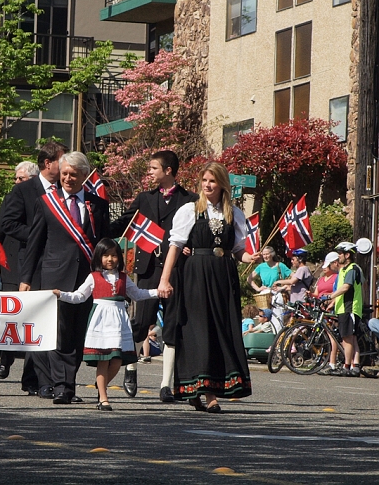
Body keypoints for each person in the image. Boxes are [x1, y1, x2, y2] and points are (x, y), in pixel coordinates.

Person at [158, 161, 258, 414]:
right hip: (196, 275)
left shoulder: (233, 213)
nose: (208, 185)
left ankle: (206, 388)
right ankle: (206, 392)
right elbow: (175, 246)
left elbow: (237, 251)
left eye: (212, 181)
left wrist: (250, 258)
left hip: (223, 275)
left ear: (222, 184)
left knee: (220, 330)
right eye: (204, 180)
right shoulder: (190, 210)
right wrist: (164, 279)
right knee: (198, 330)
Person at [20, 151, 111, 405]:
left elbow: (103, 244)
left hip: (87, 279)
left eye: (73, 174)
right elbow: (35, 244)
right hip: (55, 278)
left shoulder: (98, 205)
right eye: (64, 174)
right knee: (59, 334)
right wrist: (26, 278)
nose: (68, 179)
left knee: (77, 334)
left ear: (84, 175)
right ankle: (61, 386)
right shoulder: (46, 202)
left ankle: (68, 384)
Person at [109, 150, 198, 402]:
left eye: (153, 168)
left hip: (177, 269)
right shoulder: (144, 199)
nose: (149, 172)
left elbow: (196, 230)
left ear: (168, 170)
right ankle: (131, 367)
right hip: (148, 268)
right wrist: (97, 229)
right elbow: (124, 223)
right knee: (142, 321)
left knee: (172, 323)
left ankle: (166, 385)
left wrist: (191, 244)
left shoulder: (190, 199)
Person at [0, 142, 66, 397]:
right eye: (61, 161)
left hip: (59, 265)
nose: (65, 166)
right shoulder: (23, 191)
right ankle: (36, 379)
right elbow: (7, 224)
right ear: (48, 163)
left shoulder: (66, 190)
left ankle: (47, 380)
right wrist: (39, 235)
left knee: (54, 324)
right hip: (30, 265)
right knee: (35, 322)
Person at [54, 238, 157, 410]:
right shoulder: (93, 277)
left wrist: (157, 292)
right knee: (103, 359)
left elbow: (138, 294)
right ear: (99, 258)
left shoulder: (124, 278)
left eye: (114, 255)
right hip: (101, 321)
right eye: (106, 255)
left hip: (119, 321)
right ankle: (103, 398)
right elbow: (79, 296)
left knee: (117, 360)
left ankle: (100, 384)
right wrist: (61, 294)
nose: (110, 259)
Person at [0, 161, 40, 384]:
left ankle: (30, 376)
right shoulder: (11, 198)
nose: (17, 183)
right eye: (15, 179)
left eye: (22, 179)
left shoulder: (44, 198)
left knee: (34, 321)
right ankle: (5, 360)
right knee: (12, 317)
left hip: (34, 265)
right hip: (10, 266)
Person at [327, 242, 364, 377]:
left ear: (347, 255)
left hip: (350, 308)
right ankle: (355, 366)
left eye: (340, 254)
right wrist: (332, 302)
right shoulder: (343, 270)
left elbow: (345, 288)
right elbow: (340, 291)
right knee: (351, 338)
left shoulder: (352, 269)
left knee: (347, 339)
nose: (338, 256)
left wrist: (329, 297)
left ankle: (347, 366)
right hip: (343, 307)